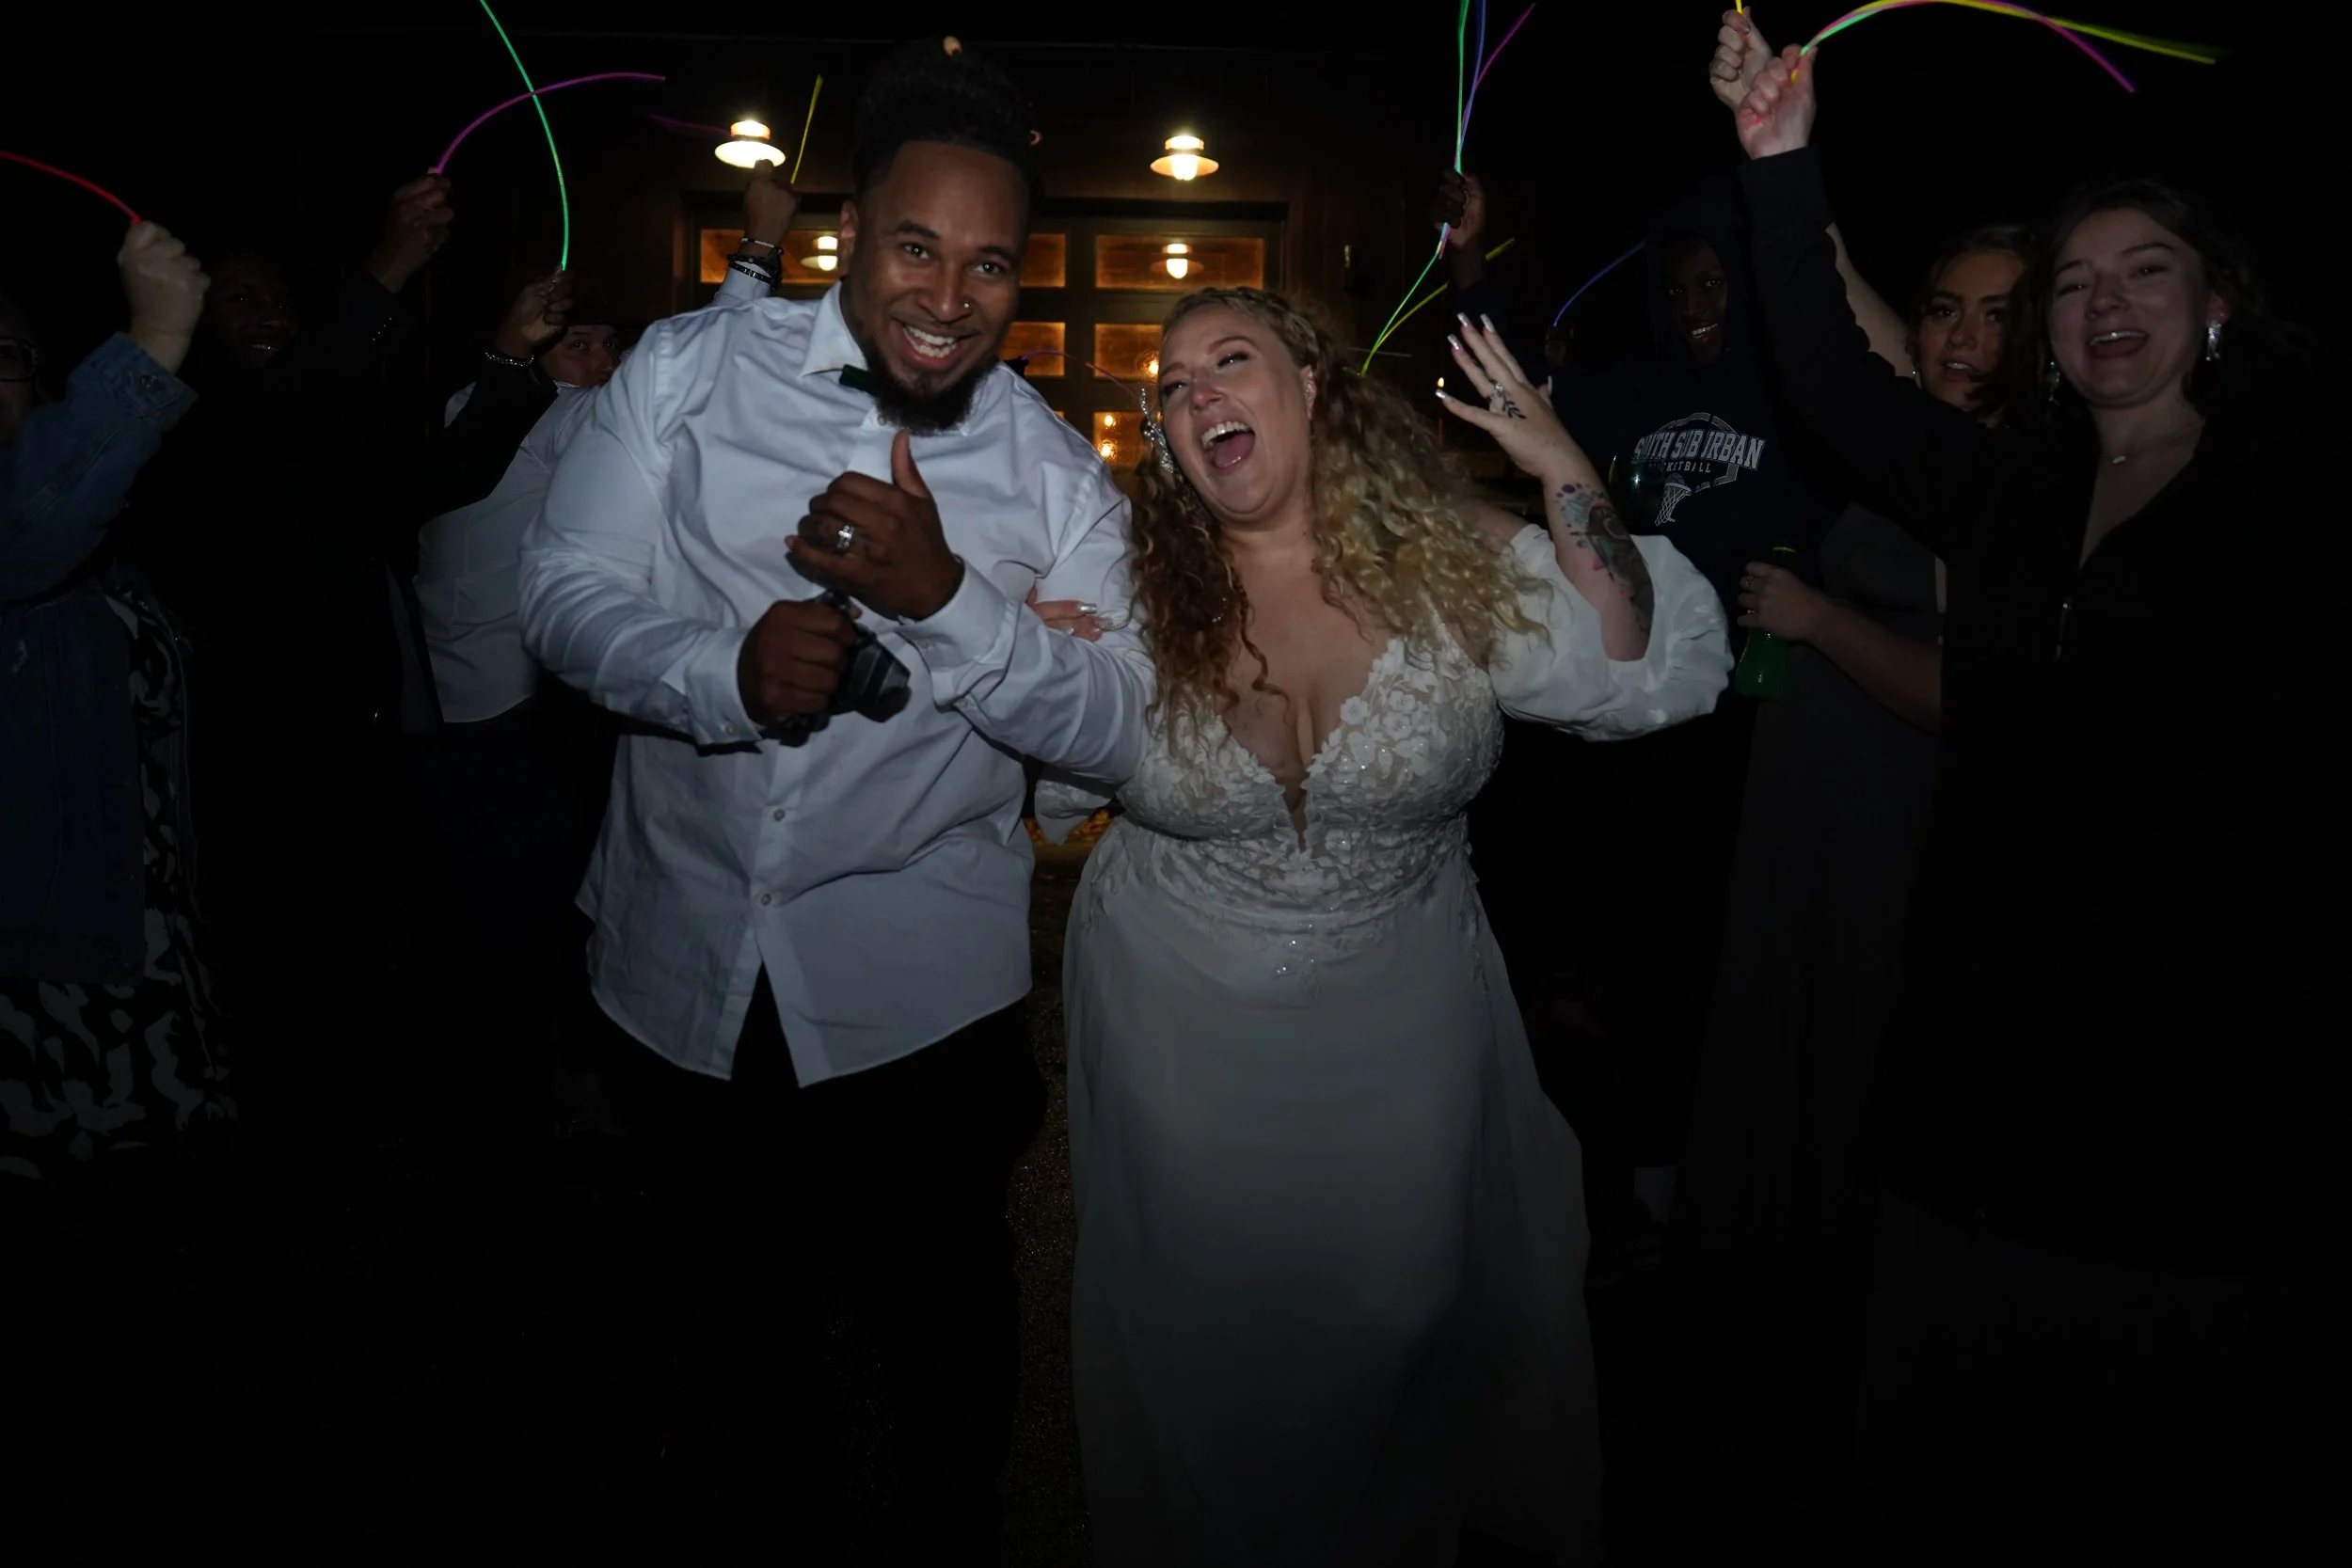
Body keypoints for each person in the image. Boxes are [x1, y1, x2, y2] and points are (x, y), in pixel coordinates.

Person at [517, 38, 1147, 1563]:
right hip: (677, 960)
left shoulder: (1058, 475)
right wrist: (719, 673)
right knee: (731, 1337)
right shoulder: (686, 370)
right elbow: (563, 590)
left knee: (945, 1346)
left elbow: (1122, 726)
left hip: (918, 994)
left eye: (990, 264)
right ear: (851, 230)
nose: (950, 296)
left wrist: (953, 603)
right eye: (918, 247)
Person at [1732, 44, 2343, 1563]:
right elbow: (1829, 376)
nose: (2105, 302)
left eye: (2146, 271)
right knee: (1953, 1447)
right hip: (1976, 1066)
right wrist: (1782, 157)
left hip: (2193, 1092)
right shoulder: (2008, 492)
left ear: (2216, 303)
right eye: (2073, 283)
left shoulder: (2293, 497)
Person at [1041, 289, 1727, 1565]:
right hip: (1176, 1011)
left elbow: (1628, 660)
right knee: (1211, 1327)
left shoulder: (1443, 553)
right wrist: (1037, 659)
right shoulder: (1131, 588)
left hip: (1403, 1004)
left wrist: (1561, 464)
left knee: (1402, 1304)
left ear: (1310, 385)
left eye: (1228, 361)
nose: (1196, 396)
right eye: (1171, 387)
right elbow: (1041, 775)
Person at [1656, 22, 2038, 1553]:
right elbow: (1851, 337)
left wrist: (1818, 620)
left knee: (1859, 1114)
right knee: (1791, 1095)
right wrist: (1785, 158)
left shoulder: (2008, 488)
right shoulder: (1930, 437)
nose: (1961, 338)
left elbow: (1969, 700)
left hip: (1896, 847)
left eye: (2001, 315)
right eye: (1945, 308)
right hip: (1814, 830)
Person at [1438, 159, 1847, 1277]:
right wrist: (1469, 258)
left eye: (1715, 283)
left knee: (1723, 947)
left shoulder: (1795, 397)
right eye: (1679, 287)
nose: (1696, 304)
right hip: (1629, 708)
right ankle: (1619, 1175)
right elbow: (1514, 388)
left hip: (1752, 712)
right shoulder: (1636, 393)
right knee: (1627, 939)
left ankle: (1715, 1186)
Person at [126, 175, 576, 1178]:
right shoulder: (182, 429)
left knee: (365, 984)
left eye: (281, 299)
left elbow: (446, 474)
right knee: (275, 1003)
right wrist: (390, 266)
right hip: (248, 779)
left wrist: (511, 354)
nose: (272, 314)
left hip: (361, 763)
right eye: (242, 299)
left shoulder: (315, 437)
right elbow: (284, 413)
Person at [404, 181, 790, 1185]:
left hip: (512, 715)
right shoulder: (521, 417)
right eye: (578, 346)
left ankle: (550, 1102)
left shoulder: (511, 415)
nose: (603, 366)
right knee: (518, 933)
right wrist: (757, 249)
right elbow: (692, 369)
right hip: (484, 725)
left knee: (545, 923)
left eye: (609, 348)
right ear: (529, 352)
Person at [2, 220, 228, 1560]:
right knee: (54, 1307)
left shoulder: (82, 517)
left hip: (132, 949)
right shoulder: (33, 517)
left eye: (5, 357)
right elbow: (27, 528)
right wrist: (152, 341)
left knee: (134, 1294)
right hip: (30, 984)